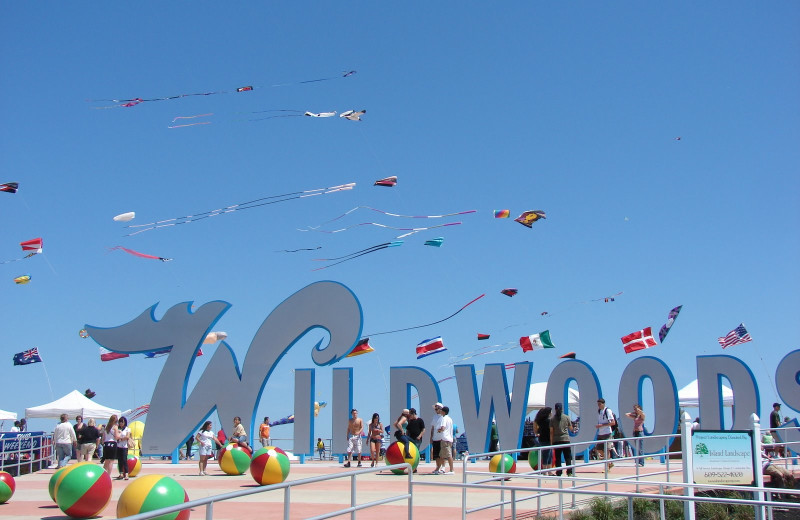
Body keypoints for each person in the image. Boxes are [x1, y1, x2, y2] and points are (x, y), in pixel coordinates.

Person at [550, 402, 576, 476]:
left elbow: (551, 432)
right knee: (567, 457)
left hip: (556, 440)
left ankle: (559, 472)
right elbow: (571, 429)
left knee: (557, 458)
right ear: (562, 409)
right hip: (565, 439)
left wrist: (551, 442)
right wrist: (573, 429)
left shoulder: (552, 419)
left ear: (555, 409)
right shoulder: (566, 417)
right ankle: (569, 472)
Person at [593, 398, 617, 470]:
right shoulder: (599, 411)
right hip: (601, 433)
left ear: (603, 404)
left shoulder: (608, 411)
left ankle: (607, 468)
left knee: (607, 449)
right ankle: (609, 462)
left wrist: (602, 425)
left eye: (600, 404)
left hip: (607, 433)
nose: (599, 406)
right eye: (598, 404)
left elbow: (613, 422)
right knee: (598, 449)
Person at [436, 406, 455, 474]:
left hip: (445, 439)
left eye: (441, 410)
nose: (440, 411)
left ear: (443, 412)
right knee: (442, 455)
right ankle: (441, 468)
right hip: (449, 439)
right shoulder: (450, 419)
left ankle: (451, 470)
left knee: (448, 455)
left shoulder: (444, 418)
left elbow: (443, 428)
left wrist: (439, 430)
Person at [534, 407, 553, 472]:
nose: (551, 413)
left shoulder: (538, 420)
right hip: (547, 439)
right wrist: (552, 440)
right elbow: (551, 431)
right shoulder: (549, 421)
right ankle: (547, 471)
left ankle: (548, 471)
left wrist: (537, 433)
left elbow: (535, 430)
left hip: (541, 439)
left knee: (547, 455)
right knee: (548, 455)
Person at [429, 403, 444, 473]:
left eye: (436, 409)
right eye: (435, 409)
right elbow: (432, 428)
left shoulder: (444, 417)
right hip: (435, 438)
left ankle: (443, 467)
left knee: (442, 454)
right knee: (436, 454)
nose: (435, 410)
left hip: (442, 438)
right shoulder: (435, 417)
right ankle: (437, 467)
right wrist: (431, 437)